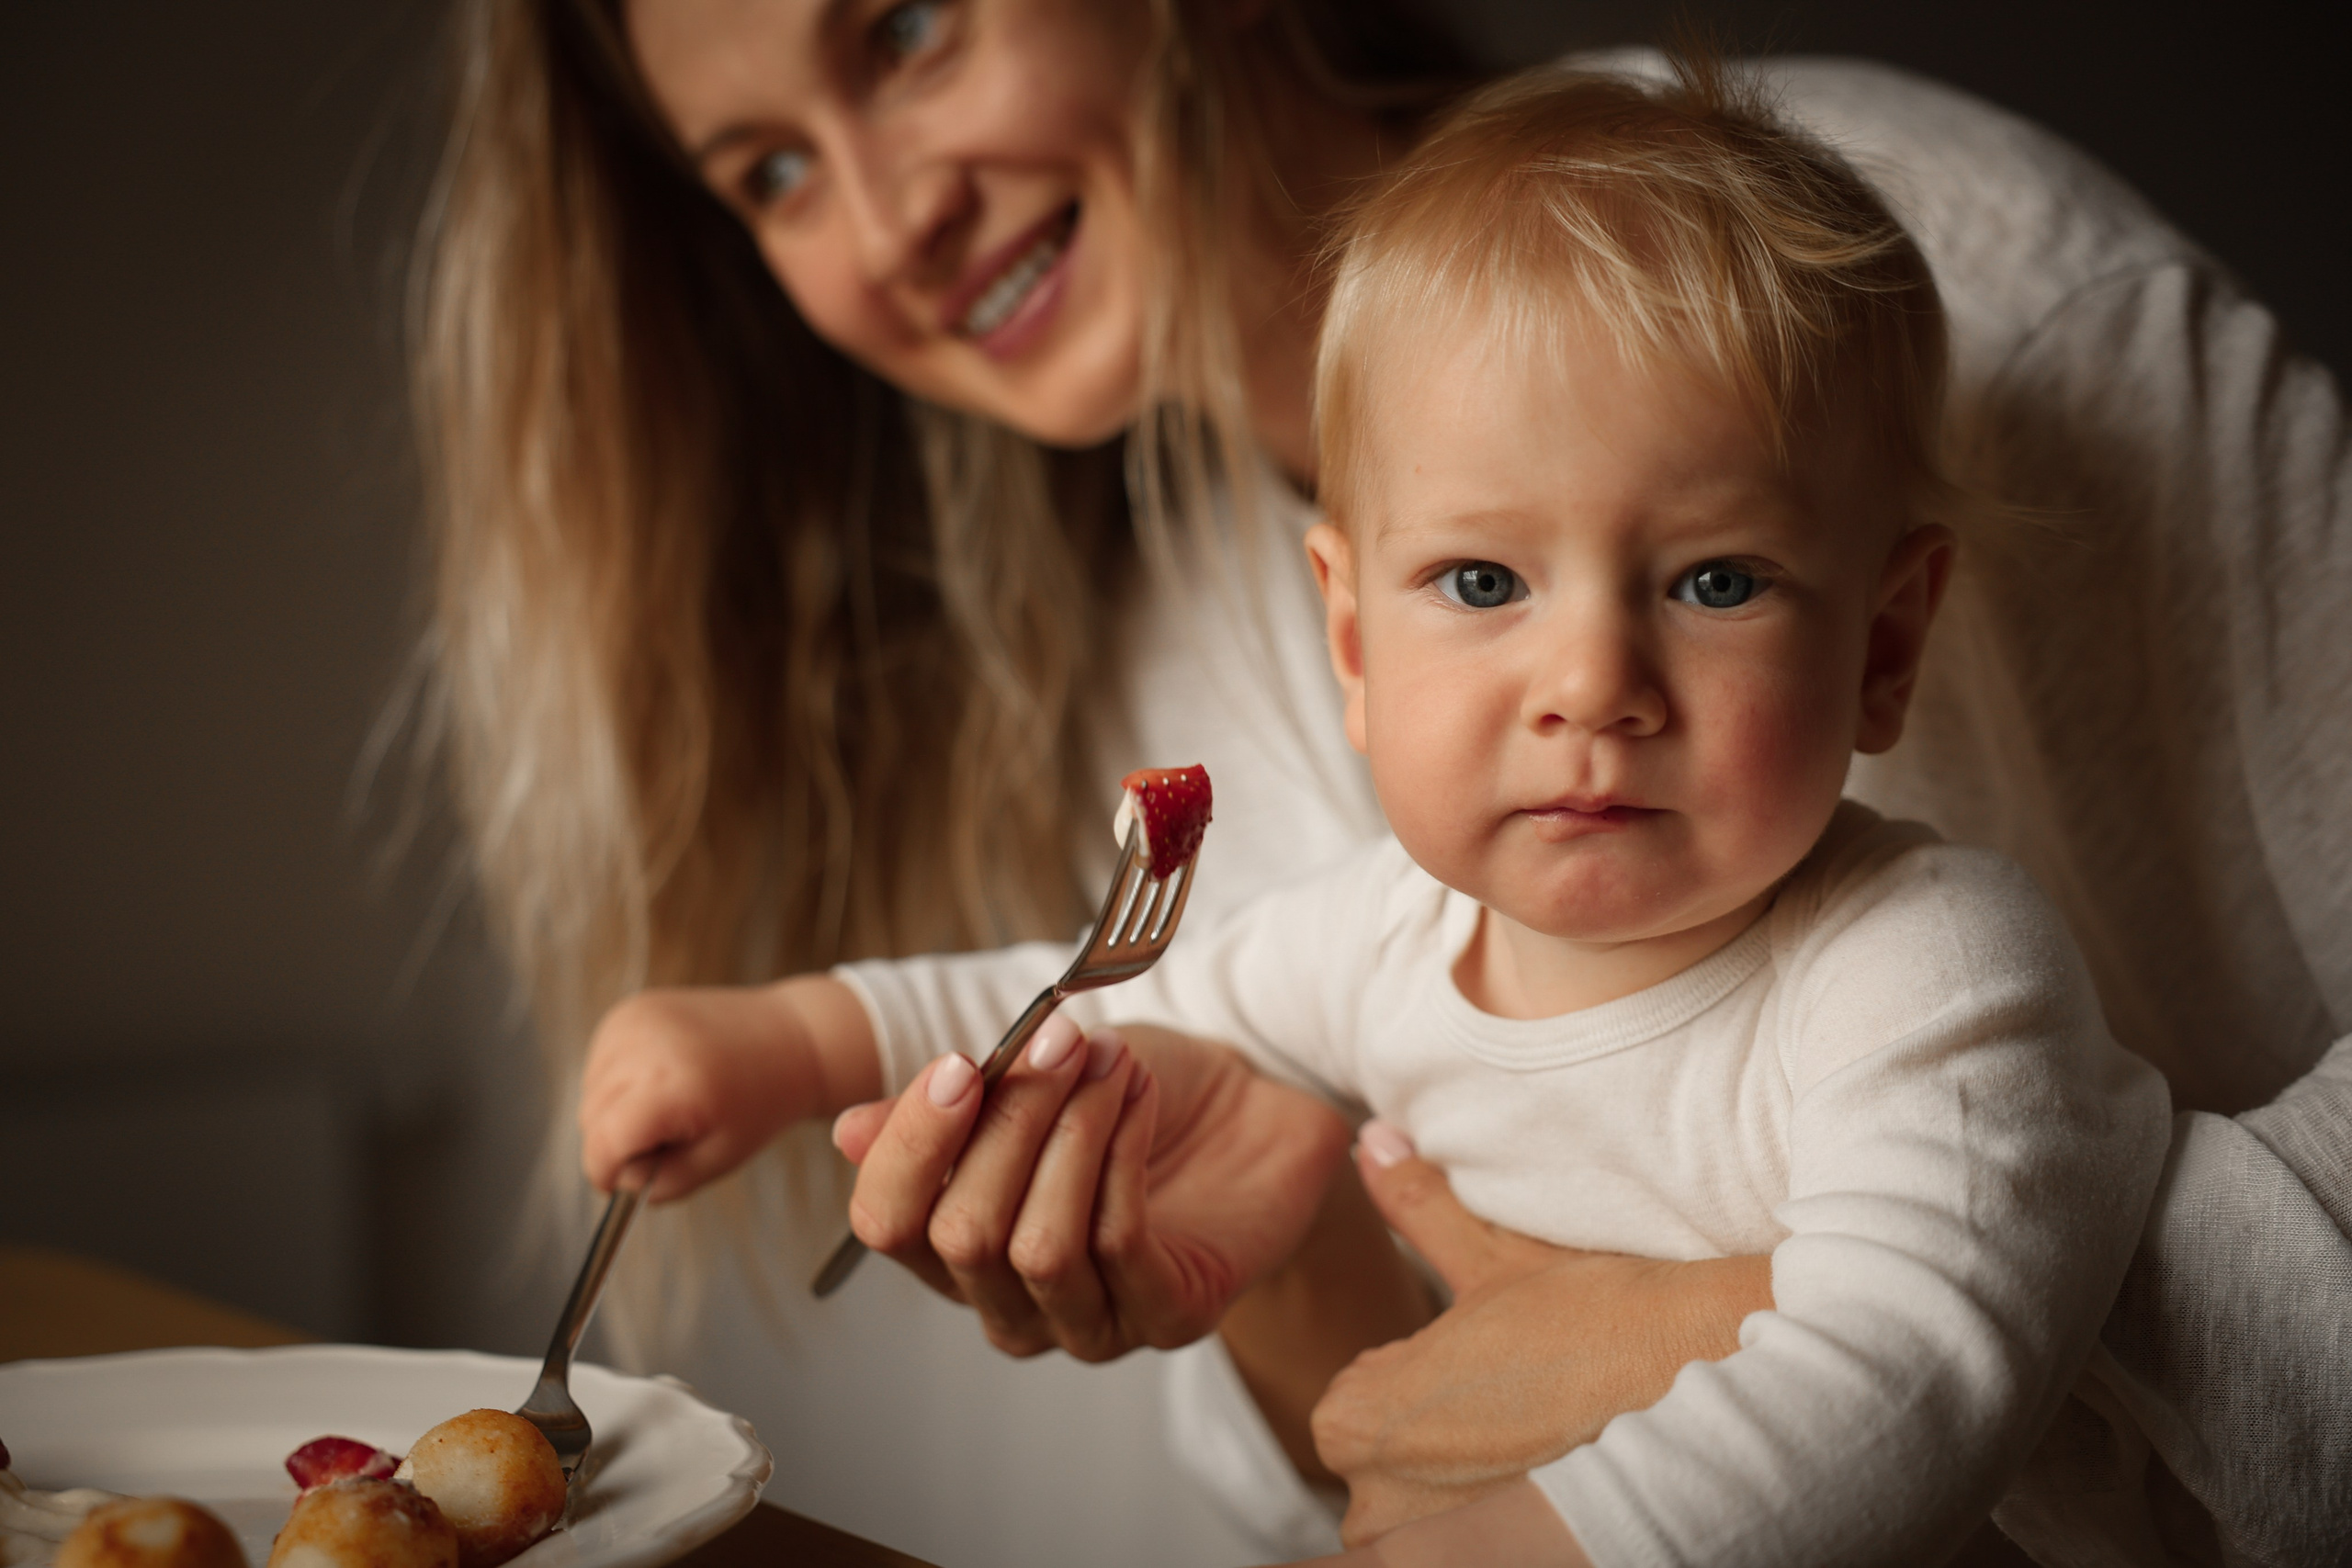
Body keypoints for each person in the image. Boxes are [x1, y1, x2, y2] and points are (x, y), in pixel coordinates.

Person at [418, 2, 2350, 1562]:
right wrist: (783, 1041)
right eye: (766, 170)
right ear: (1350, 624)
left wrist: (1681, 1350)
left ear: (1880, 640)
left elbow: (1887, 1345)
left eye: (907, 29)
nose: (1586, 683)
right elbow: (1158, 1059)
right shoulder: (1303, 794)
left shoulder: (1911, 315)